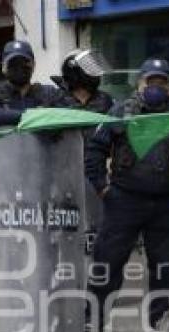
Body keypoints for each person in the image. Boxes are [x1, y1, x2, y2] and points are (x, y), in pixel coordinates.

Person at [85, 58, 169, 330]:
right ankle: (93, 319)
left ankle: (159, 324)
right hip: (124, 201)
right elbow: (94, 151)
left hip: (167, 205)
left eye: (163, 82)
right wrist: (104, 188)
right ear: (140, 83)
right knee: (107, 263)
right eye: (152, 81)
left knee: (166, 268)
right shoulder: (121, 112)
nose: (157, 87)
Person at [0, 40, 63, 201]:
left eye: (24, 63)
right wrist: (31, 116)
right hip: (3, 177)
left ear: (33, 65)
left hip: (41, 175)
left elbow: (63, 116)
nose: (19, 68)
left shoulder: (48, 93)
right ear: (3, 66)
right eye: (13, 63)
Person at [52, 49, 114, 254]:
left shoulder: (105, 101)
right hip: (64, 171)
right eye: (90, 67)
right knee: (66, 226)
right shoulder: (56, 101)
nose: (96, 72)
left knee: (97, 228)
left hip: (94, 172)